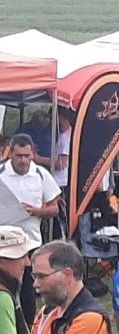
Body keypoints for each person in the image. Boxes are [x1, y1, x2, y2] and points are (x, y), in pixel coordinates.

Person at [0, 134, 61, 323]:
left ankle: (27, 327)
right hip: (4, 242)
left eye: (27, 156)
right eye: (19, 156)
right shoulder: (1, 172)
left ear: (33, 153)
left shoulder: (41, 174)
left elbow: (55, 208)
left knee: (28, 289)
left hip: (30, 242)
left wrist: (37, 211)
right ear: (11, 153)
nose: (23, 160)